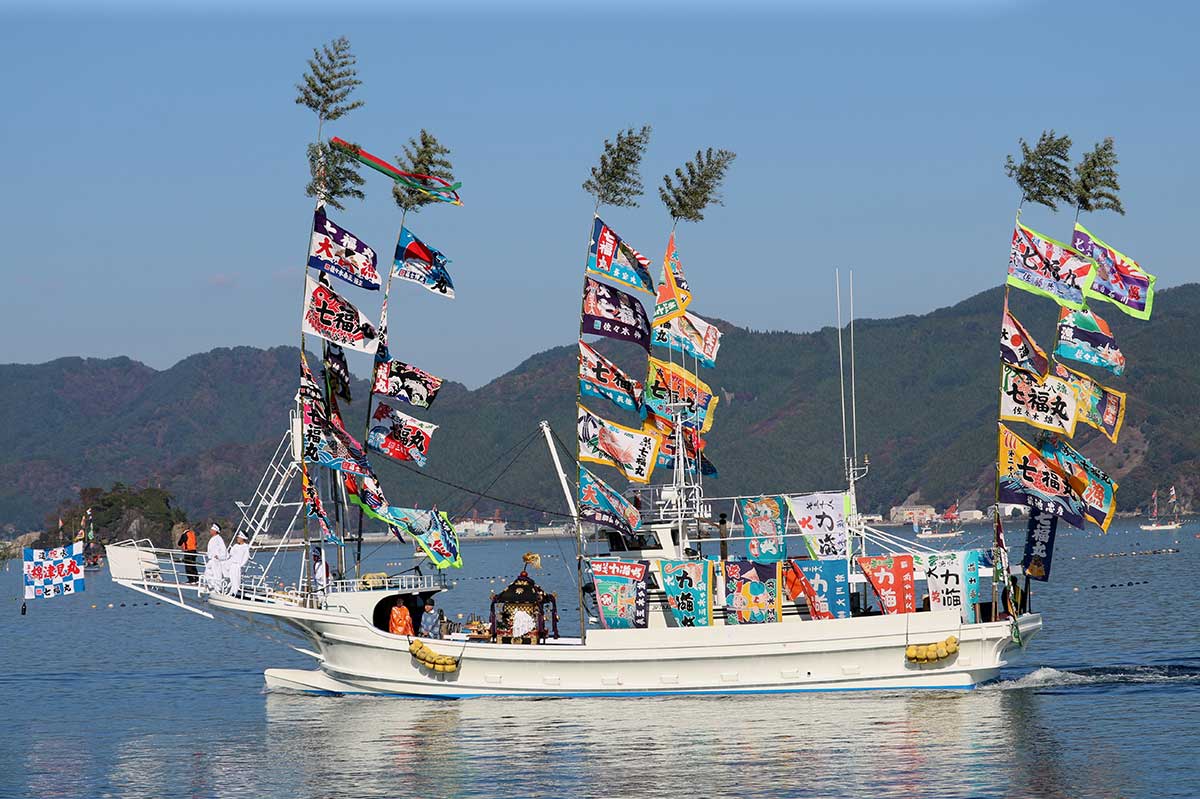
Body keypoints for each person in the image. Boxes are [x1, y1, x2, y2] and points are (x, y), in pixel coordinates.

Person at [203, 523, 228, 593]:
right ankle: (210, 586)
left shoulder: (219, 539)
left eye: (212, 529)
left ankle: (217, 588)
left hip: (216, 561)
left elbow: (224, 551)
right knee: (207, 573)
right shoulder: (213, 539)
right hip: (211, 560)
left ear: (215, 531)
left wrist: (219, 556)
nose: (210, 530)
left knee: (217, 575)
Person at [227, 531, 250, 597]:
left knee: (236, 581)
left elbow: (246, 558)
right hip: (232, 565)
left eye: (239, 537)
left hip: (237, 566)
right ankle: (230, 592)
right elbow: (231, 555)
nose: (237, 538)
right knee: (232, 579)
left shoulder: (245, 547)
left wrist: (240, 566)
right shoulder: (235, 546)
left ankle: (234, 593)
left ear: (243, 538)